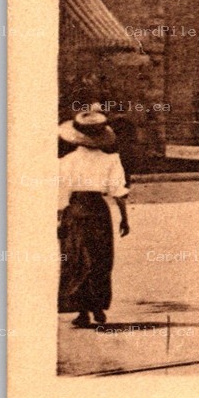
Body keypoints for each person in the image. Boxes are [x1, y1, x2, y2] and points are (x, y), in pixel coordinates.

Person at [58, 108, 130, 328]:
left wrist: (59, 220)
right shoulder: (111, 160)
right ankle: (97, 306)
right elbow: (118, 191)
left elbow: (62, 193)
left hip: (76, 210)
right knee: (100, 259)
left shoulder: (67, 161)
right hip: (98, 211)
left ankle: (82, 310)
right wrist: (124, 219)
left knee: (77, 259)